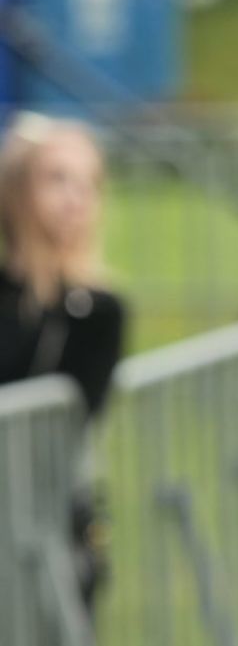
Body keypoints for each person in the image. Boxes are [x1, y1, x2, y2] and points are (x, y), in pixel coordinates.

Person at [0, 111, 126, 609]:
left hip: (50, 517)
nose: (75, 197)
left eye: (87, 183)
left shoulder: (100, 310)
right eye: (56, 178)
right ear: (18, 191)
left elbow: (77, 410)